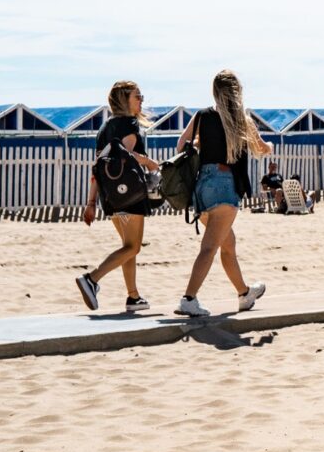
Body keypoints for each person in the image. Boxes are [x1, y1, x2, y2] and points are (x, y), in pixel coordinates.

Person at [174, 70, 272, 317]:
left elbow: (180, 145)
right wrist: (269, 146)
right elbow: (261, 149)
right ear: (237, 91)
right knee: (209, 248)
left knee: (227, 244)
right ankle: (188, 299)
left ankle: (244, 293)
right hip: (224, 184)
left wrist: (202, 144)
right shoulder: (242, 119)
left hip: (202, 186)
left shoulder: (202, 116)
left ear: (215, 91)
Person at [76, 80, 160, 314]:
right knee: (133, 247)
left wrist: (91, 202)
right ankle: (91, 279)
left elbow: (98, 167)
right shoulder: (130, 124)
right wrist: (150, 163)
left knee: (127, 247)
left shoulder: (104, 129)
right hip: (130, 193)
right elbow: (126, 156)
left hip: (110, 197)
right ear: (124, 99)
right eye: (137, 96)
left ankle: (133, 297)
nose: (141, 100)